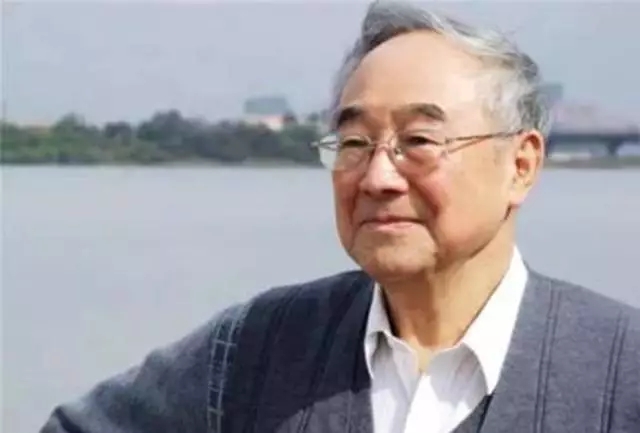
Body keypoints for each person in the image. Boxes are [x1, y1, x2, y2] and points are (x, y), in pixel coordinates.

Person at [41, 1, 639, 432]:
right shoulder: (256, 349)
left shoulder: (622, 371)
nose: (378, 177)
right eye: (354, 143)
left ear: (521, 165)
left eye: (419, 140)